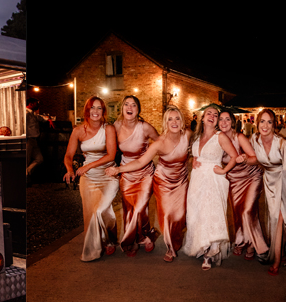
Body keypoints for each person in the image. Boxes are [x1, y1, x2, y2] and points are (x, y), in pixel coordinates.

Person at [109, 106, 190, 262]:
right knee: (166, 216)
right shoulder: (159, 143)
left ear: (182, 121)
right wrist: (119, 168)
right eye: (170, 119)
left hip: (181, 181)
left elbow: (204, 144)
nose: (174, 122)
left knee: (180, 216)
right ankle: (170, 248)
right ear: (165, 123)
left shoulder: (188, 135)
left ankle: (176, 239)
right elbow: (140, 161)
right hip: (163, 182)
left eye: (177, 118)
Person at [182, 106, 239, 269]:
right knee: (197, 213)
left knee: (211, 214)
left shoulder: (220, 136)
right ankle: (201, 245)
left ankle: (209, 252)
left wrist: (224, 170)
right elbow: (195, 155)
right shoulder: (196, 136)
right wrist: (193, 160)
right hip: (197, 179)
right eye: (209, 113)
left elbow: (234, 156)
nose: (213, 116)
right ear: (202, 118)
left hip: (214, 178)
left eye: (216, 115)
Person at [62, 97, 118, 261]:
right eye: (92, 108)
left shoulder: (109, 129)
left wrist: (88, 165)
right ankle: (95, 248)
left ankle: (110, 239)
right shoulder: (78, 131)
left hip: (108, 175)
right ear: (87, 110)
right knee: (91, 214)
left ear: (103, 112)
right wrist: (70, 169)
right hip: (89, 179)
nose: (95, 111)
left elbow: (111, 155)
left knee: (103, 211)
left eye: (99, 108)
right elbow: (68, 155)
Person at [252, 109, 286, 275]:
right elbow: (253, 158)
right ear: (257, 123)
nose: (265, 125)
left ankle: (277, 257)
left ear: (274, 124)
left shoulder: (282, 144)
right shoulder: (254, 139)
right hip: (271, 181)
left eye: (269, 122)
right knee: (276, 217)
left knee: (283, 217)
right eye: (262, 121)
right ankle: (279, 254)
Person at [108, 96, 159, 255]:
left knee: (140, 208)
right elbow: (109, 148)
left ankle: (132, 240)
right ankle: (142, 236)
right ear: (122, 108)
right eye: (126, 104)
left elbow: (161, 144)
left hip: (145, 173)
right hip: (126, 172)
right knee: (130, 209)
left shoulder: (145, 127)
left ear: (138, 110)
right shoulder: (115, 126)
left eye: (134, 105)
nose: (130, 107)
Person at [217, 110, 268, 261]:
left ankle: (256, 245)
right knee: (237, 212)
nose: (224, 122)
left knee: (247, 211)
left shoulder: (239, 137)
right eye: (221, 120)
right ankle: (241, 240)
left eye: (227, 119)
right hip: (233, 180)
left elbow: (256, 158)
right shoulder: (217, 139)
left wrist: (245, 158)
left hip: (251, 177)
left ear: (232, 122)